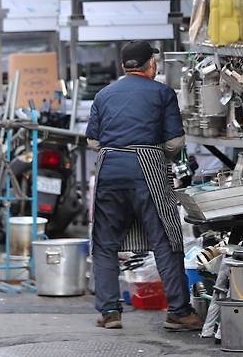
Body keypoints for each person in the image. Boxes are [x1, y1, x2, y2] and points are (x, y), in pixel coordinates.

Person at [86, 40, 202, 331]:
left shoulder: (103, 94)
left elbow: (92, 142)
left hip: (109, 167)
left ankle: (110, 312)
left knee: (104, 243)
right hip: (146, 167)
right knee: (166, 239)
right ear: (150, 64)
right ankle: (178, 311)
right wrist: (156, 154)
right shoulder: (162, 93)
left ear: (124, 66)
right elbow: (175, 142)